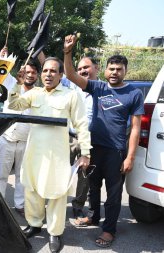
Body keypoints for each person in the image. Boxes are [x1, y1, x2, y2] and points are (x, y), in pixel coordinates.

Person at [63, 35, 144, 248]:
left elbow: (136, 128)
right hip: (93, 148)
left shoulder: (134, 93)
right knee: (93, 186)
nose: (114, 72)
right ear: (105, 70)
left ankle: (109, 230)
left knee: (114, 194)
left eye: (119, 69)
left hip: (115, 151)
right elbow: (71, 75)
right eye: (111, 68)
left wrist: (130, 157)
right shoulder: (98, 87)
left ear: (125, 70)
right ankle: (93, 216)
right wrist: (68, 52)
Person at [8, 57, 91, 253]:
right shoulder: (34, 93)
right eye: (45, 71)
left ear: (61, 75)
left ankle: (55, 232)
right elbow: (14, 106)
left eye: (53, 71)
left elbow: (81, 124)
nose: (48, 74)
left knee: (56, 194)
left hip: (58, 156)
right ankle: (35, 224)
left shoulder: (71, 95)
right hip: (34, 154)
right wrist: (17, 85)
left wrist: (85, 152)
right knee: (32, 191)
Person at [0, 24, 38, 216]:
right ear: (21, 73)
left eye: (33, 73)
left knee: (22, 177)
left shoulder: (41, 93)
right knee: (2, 176)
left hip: (27, 142)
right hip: (7, 139)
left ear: (37, 76)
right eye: (26, 72)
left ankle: (20, 205)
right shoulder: (13, 84)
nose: (29, 75)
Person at [69, 57, 98, 220]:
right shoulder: (73, 86)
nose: (82, 71)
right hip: (69, 137)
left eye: (86, 67)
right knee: (60, 170)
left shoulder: (103, 89)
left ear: (96, 68)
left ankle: (78, 205)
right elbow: (50, 65)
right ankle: (55, 202)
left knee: (85, 175)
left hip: (89, 138)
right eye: (79, 69)